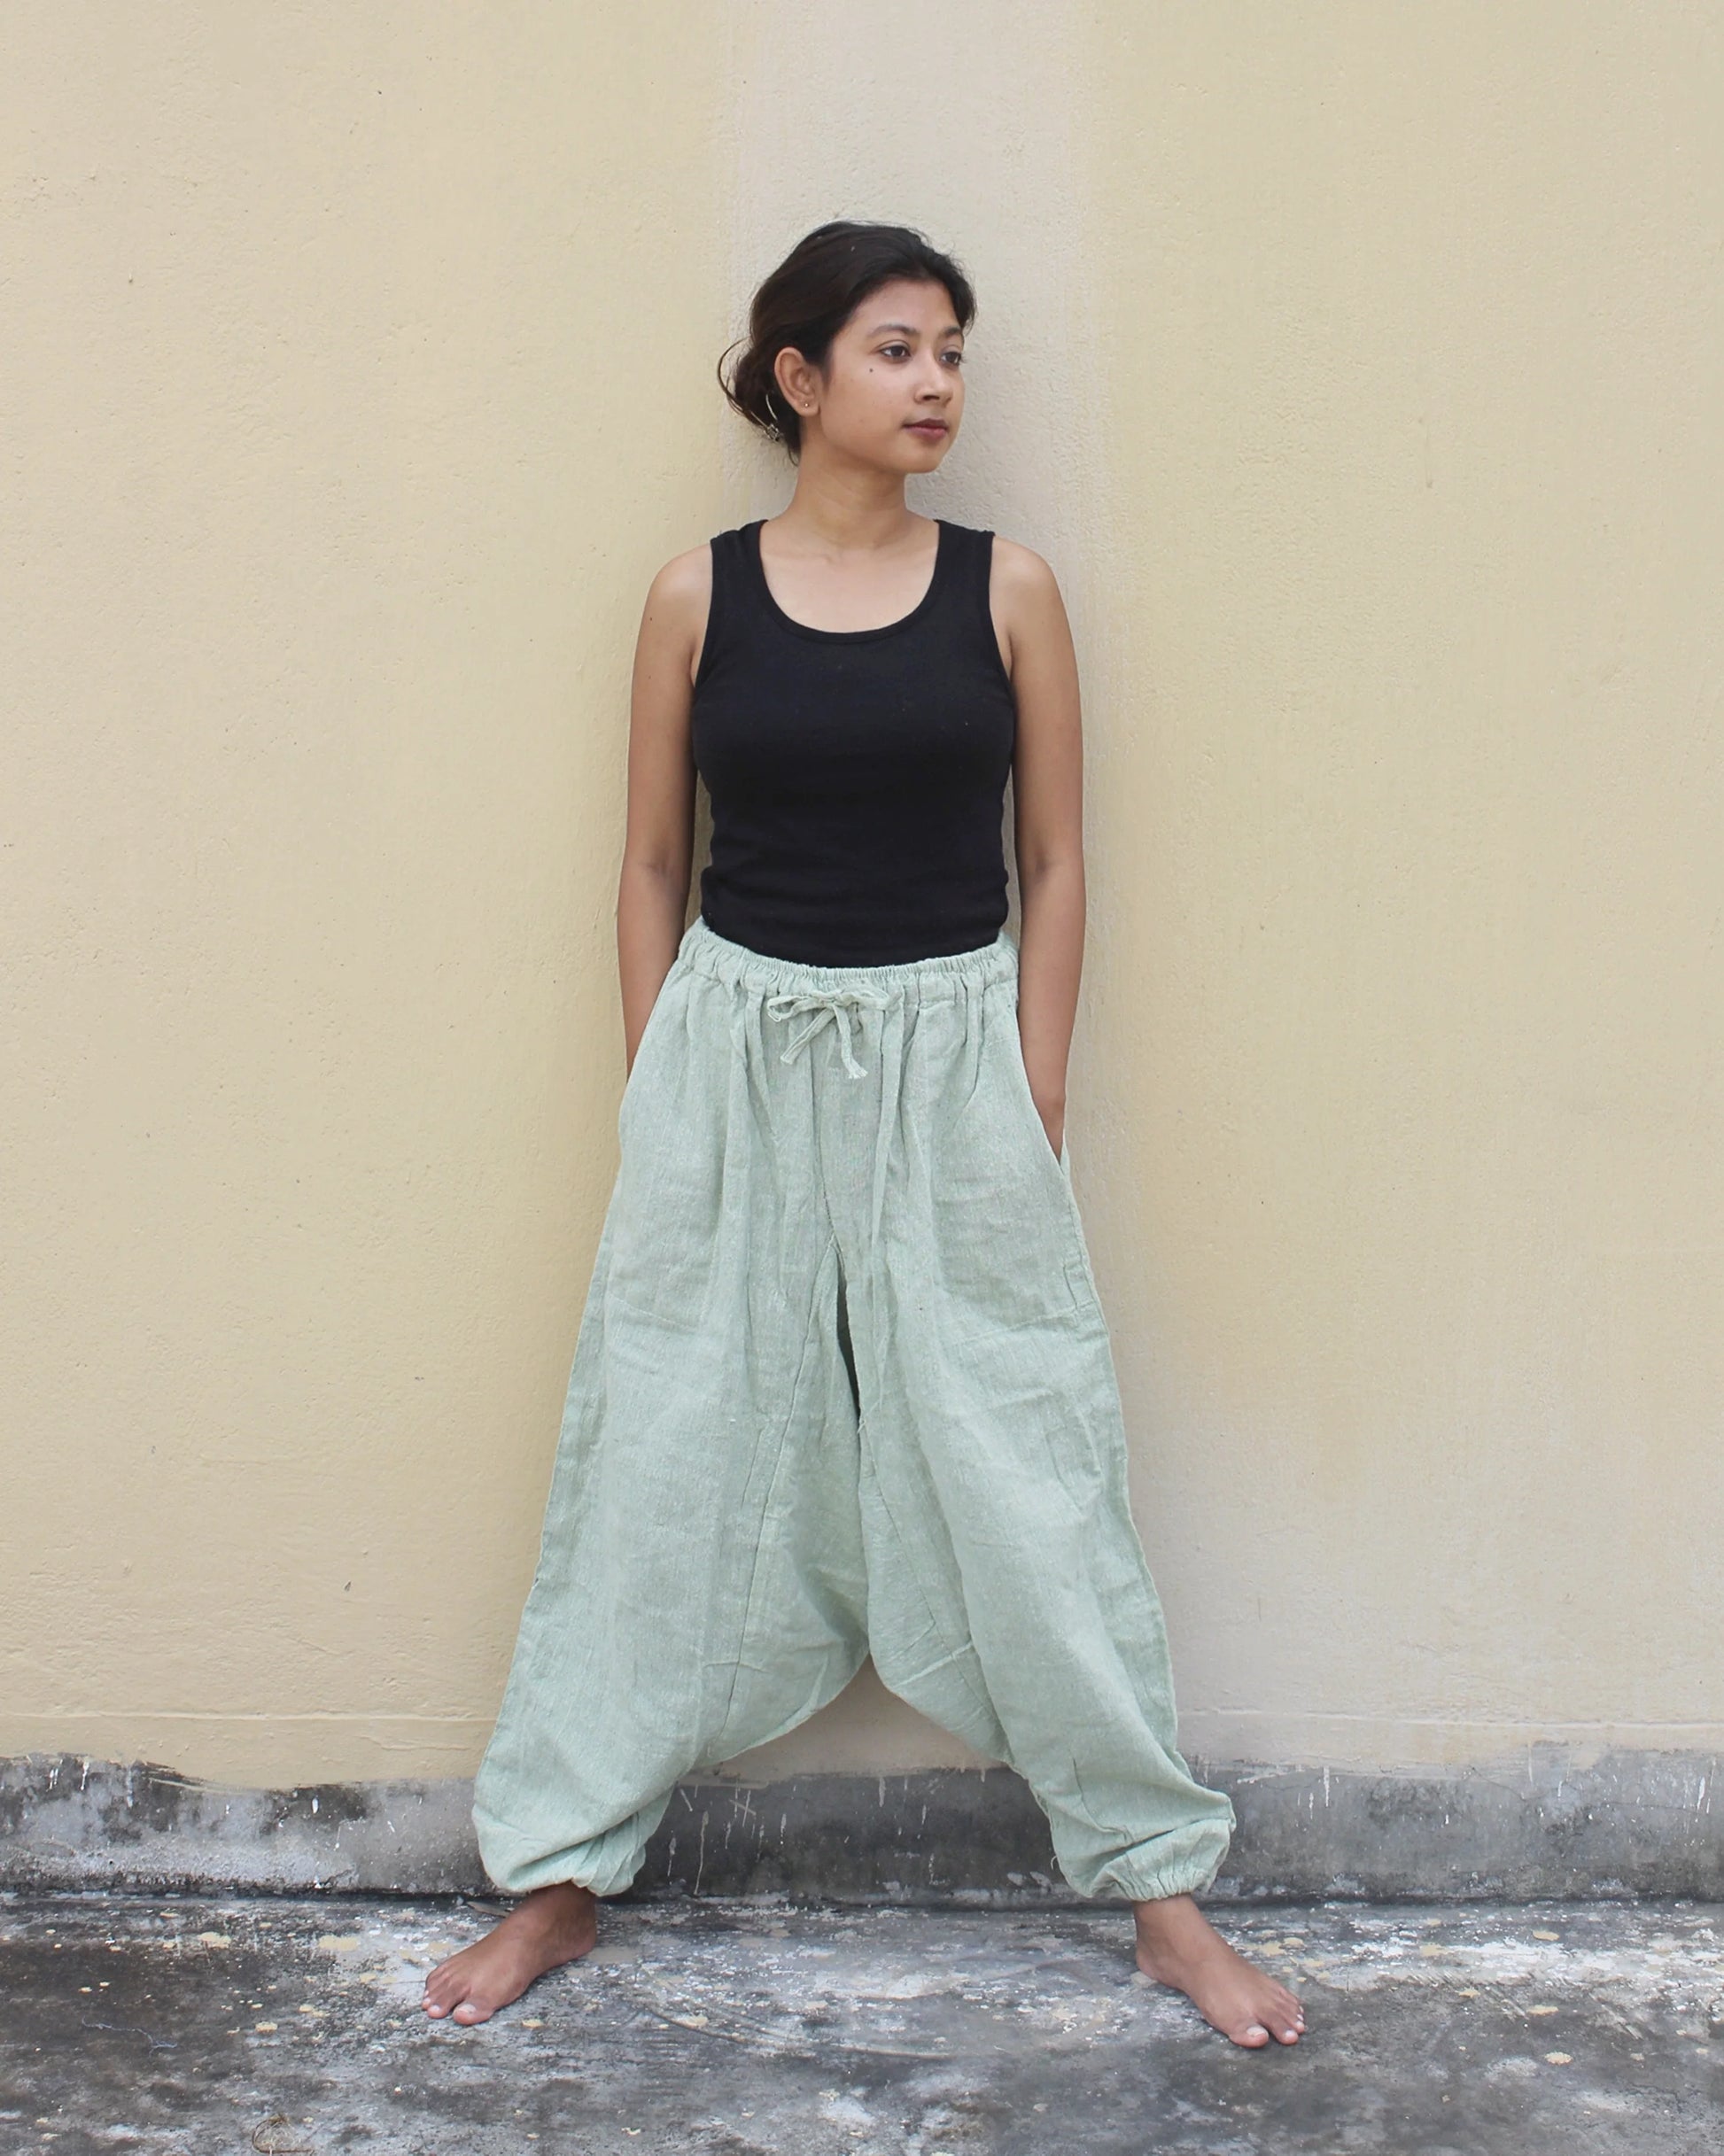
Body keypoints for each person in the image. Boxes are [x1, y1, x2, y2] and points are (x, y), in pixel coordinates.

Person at [423, 220, 1304, 2051]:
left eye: (953, 352)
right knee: (666, 1447)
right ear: (799, 376)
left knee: (1022, 1456)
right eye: (897, 349)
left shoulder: (1008, 591)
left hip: (950, 1056)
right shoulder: (693, 597)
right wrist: (661, 1077)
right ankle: (563, 1877)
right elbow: (648, 861)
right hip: (733, 1056)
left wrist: (1030, 1084)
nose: (937, 384)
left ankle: (1161, 1897)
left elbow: (1054, 858)